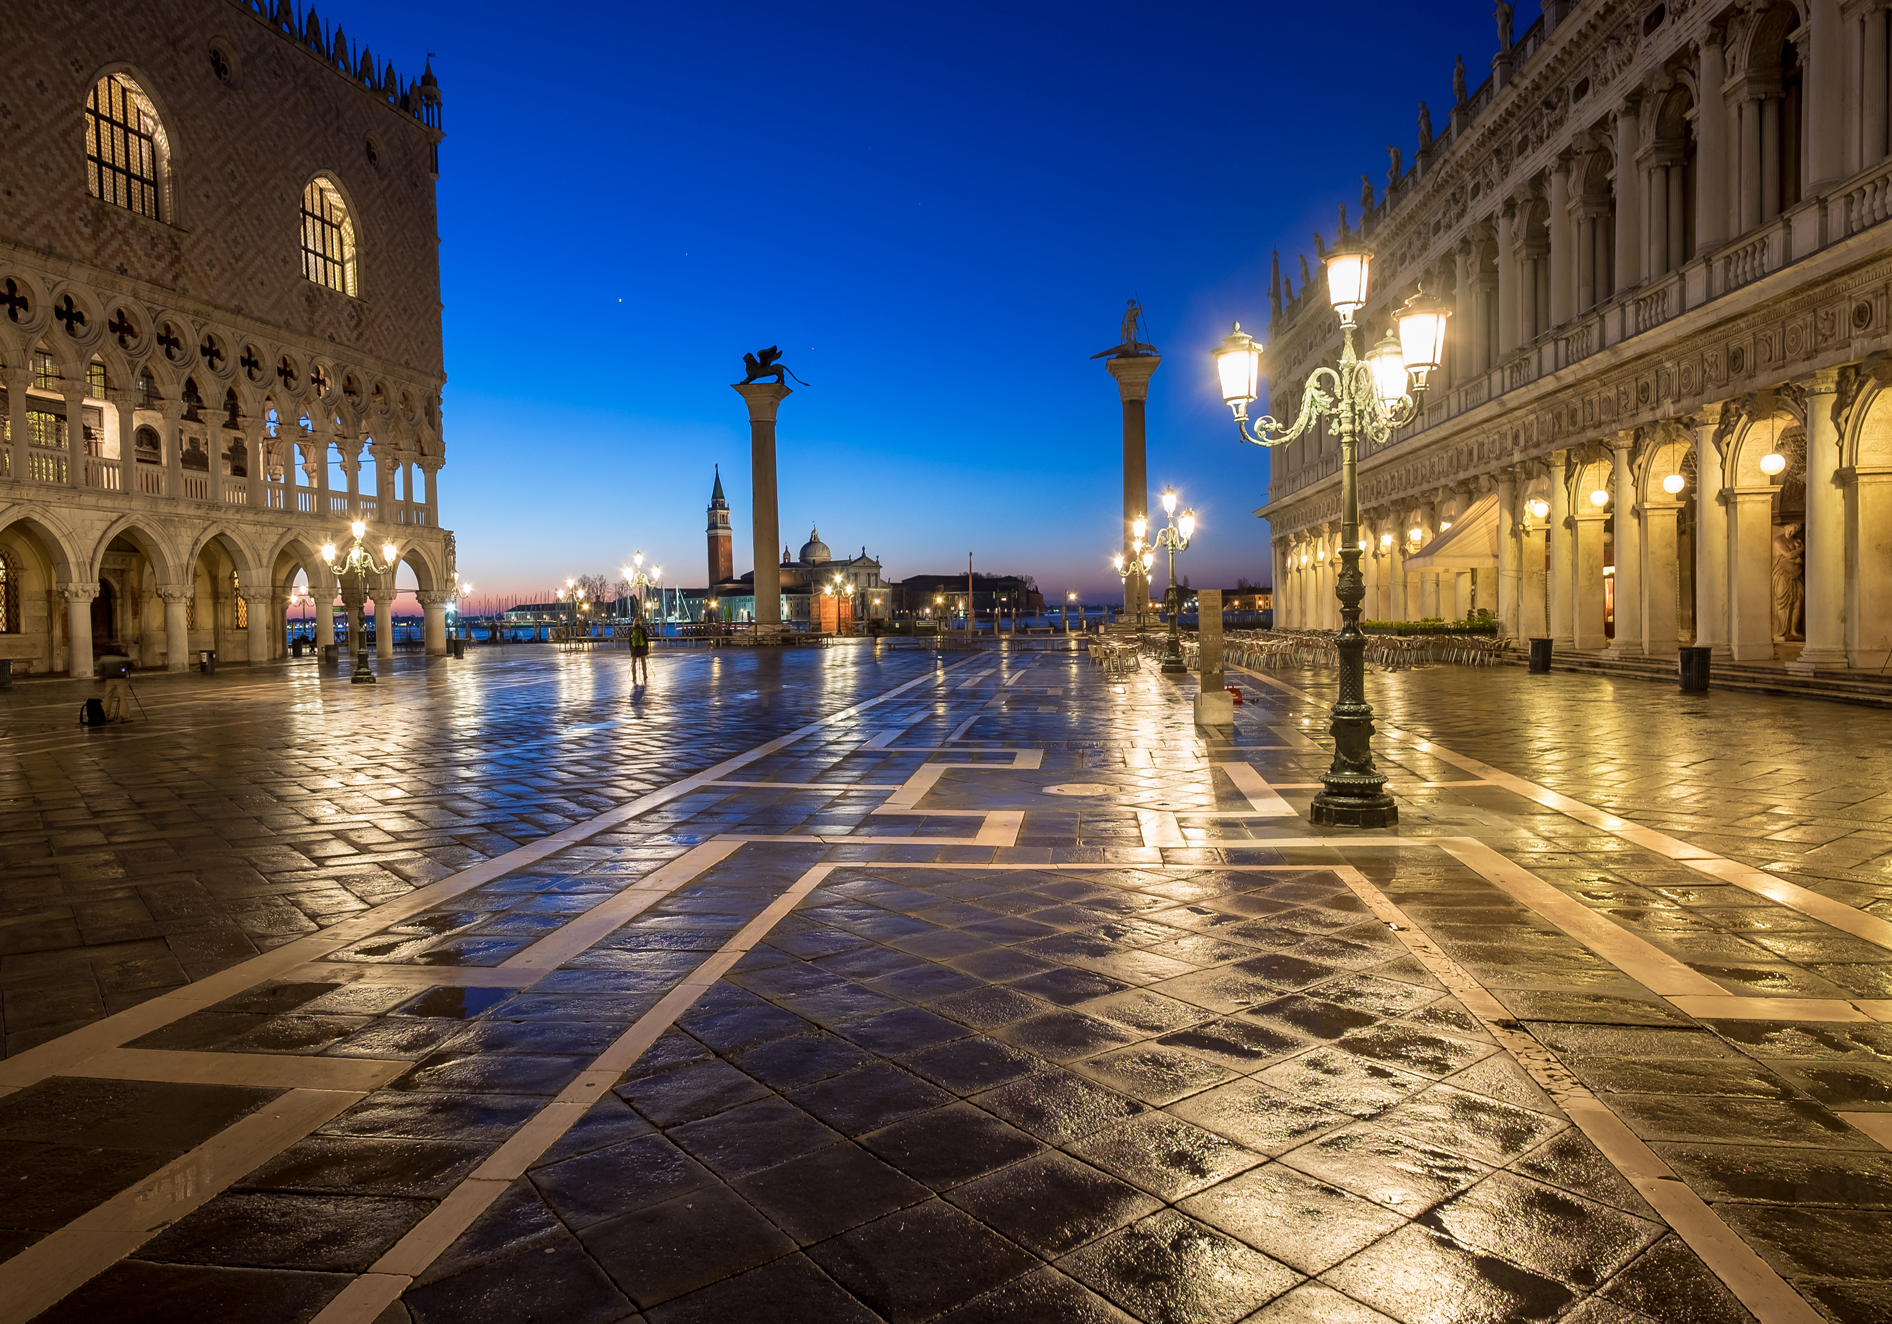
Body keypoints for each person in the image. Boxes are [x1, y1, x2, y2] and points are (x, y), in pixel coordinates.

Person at [630, 616, 650, 682]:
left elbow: (630, 640)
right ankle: (645, 675)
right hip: (642, 648)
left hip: (634, 648)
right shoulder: (643, 630)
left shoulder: (632, 630)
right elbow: (645, 639)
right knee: (643, 662)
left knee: (633, 663)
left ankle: (634, 676)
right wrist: (647, 648)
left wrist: (631, 649)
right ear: (640, 623)